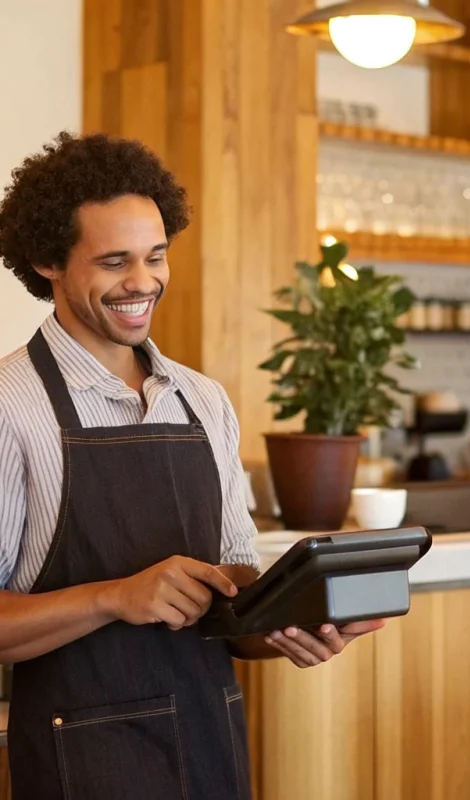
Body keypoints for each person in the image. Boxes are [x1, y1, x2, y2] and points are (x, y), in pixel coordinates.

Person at [0, 131, 385, 800]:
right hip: (80, 763)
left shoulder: (204, 401)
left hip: (212, 747)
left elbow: (230, 605)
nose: (142, 282)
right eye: (114, 261)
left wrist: (293, 624)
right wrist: (114, 596)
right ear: (47, 261)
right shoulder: (10, 406)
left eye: (156, 256)